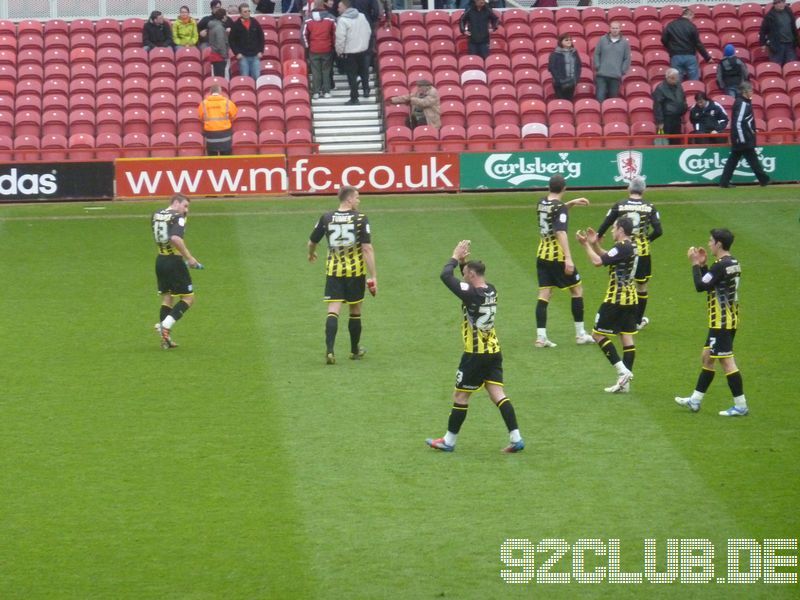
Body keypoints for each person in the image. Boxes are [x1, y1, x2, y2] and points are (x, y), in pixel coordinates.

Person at [426, 240, 525, 454]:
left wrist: (454, 256)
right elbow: (467, 283)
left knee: (460, 397)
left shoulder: (470, 294)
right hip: (494, 351)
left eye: (465, 273)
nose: (463, 276)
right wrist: (464, 262)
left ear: (471, 275)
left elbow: (446, 276)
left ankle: (449, 441)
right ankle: (516, 438)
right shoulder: (491, 290)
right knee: (497, 393)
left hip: (475, 354)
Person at [675, 229, 749, 416]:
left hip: (721, 321)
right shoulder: (733, 263)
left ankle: (740, 406)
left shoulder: (720, 266)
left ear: (719, 244)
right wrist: (703, 265)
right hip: (729, 318)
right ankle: (695, 400)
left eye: (710, 241)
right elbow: (713, 284)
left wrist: (694, 264)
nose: (708, 244)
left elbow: (701, 286)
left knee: (726, 362)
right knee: (707, 358)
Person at [308, 186, 377, 364]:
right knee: (355, 310)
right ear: (349, 199)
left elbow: (312, 241)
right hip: (355, 272)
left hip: (334, 270)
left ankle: (330, 351)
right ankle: (354, 350)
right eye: (357, 198)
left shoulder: (327, 218)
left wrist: (311, 253)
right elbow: (367, 248)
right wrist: (373, 275)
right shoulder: (360, 218)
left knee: (333, 310)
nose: (359, 201)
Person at [575, 218, 638, 394]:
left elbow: (597, 262)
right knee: (626, 338)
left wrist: (585, 245)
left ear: (621, 230)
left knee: (597, 334)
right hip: (631, 298)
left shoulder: (621, 246)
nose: (611, 231)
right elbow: (607, 257)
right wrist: (594, 244)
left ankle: (623, 371)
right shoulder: (631, 246)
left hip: (615, 299)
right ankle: (624, 384)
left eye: (614, 228)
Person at [534, 175, 595, 348]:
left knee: (544, 294)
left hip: (542, 254)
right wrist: (568, 258)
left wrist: (572, 203)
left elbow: (554, 213)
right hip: (557, 256)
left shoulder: (541, 202)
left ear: (549, 187)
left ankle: (541, 337)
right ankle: (580, 334)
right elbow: (560, 231)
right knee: (576, 290)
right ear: (564, 188)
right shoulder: (559, 207)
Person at [596, 176, 662, 332]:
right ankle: (636, 321)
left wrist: (597, 237)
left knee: (620, 284)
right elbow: (659, 231)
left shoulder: (620, 205)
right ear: (644, 190)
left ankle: (617, 318)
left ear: (629, 188)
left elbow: (606, 223)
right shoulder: (650, 207)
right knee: (641, 286)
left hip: (622, 250)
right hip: (642, 252)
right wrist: (646, 241)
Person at [152, 194, 203, 350]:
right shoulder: (177, 217)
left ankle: (165, 340)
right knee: (188, 298)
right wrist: (189, 258)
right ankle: (165, 326)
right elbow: (175, 238)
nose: (186, 210)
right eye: (185, 206)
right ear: (175, 203)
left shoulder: (157, 214)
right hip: (174, 262)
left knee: (167, 298)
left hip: (160, 260)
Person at [719, 82, 770, 188]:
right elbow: (738, 122)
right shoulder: (742, 103)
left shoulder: (744, 102)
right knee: (751, 159)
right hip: (743, 137)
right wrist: (742, 138)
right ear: (744, 92)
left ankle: (724, 181)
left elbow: (744, 121)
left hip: (741, 136)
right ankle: (763, 179)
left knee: (735, 159)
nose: (752, 92)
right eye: (750, 90)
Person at [660, 8, 713, 81]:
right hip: (690, 56)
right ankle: (693, 91)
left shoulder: (671, 25)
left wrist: (670, 49)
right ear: (690, 15)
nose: (692, 20)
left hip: (676, 56)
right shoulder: (691, 26)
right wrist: (707, 58)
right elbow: (698, 44)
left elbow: (663, 39)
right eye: (693, 18)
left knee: (676, 81)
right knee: (694, 81)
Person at [336, 0, 372, 105]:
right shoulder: (362, 16)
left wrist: (339, 50)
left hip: (350, 52)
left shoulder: (342, 20)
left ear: (345, 8)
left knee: (352, 76)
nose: (338, 9)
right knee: (364, 72)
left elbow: (340, 37)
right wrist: (365, 44)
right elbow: (368, 31)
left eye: (339, 7)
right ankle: (366, 90)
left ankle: (354, 98)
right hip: (363, 50)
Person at [303, 0, 336, 99]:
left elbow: (303, 34)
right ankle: (326, 92)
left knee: (315, 71)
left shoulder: (308, 19)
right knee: (326, 71)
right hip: (327, 48)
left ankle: (316, 92)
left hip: (313, 49)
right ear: (323, 5)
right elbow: (336, 33)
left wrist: (307, 46)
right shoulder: (331, 18)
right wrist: (334, 45)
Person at [593, 21, 631, 103]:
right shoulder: (602, 39)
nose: (615, 30)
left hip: (615, 76)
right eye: (613, 28)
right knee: (600, 98)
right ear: (610, 28)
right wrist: (597, 66)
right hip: (601, 75)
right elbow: (596, 54)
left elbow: (627, 58)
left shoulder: (624, 43)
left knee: (613, 100)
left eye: (616, 28)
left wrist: (622, 71)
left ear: (620, 29)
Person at [197, 84, 238, 155]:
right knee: (226, 159)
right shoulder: (228, 102)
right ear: (220, 92)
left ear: (210, 92)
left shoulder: (203, 104)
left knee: (212, 160)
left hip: (210, 135)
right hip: (225, 134)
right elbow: (234, 116)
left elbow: (201, 117)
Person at [229, 2, 265, 80]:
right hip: (243, 57)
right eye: (245, 11)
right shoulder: (236, 25)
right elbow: (231, 41)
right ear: (240, 13)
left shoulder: (255, 22)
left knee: (257, 77)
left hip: (255, 55)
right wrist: (237, 53)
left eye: (249, 11)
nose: (247, 13)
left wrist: (261, 51)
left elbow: (261, 38)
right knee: (245, 78)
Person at [653, 68, 688, 145]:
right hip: (666, 119)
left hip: (677, 118)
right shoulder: (660, 88)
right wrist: (660, 121)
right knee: (665, 140)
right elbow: (657, 106)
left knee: (676, 140)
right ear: (668, 78)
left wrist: (684, 106)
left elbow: (683, 97)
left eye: (677, 78)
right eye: (674, 78)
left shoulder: (679, 85)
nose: (676, 80)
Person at [759, 0, 799, 66]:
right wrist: (762, 43)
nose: (781, 4)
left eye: (783, 2)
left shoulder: (789, 12)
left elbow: (793, 27)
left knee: (791, 66)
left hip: (790, 45)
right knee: (776, 66)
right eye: (779, 3)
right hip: (777, 46)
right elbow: (763, 30)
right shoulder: (769, 16)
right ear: (774, 4)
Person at [548, 33, 581, 101]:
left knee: (569, 102)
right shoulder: (555, 54)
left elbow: (578, 65)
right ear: (561, 42)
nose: (569, 41)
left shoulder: (574, 52)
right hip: (559, 83)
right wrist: (559, 80)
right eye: (566, 40)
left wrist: (576, 78)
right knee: (562, 103)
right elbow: (551, 68)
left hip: (571, 82)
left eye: (570, 40)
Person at [206, 7, 230, 77]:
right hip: (219, 57)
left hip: (214, 55)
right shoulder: (219, 28)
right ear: (223, 16)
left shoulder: (213, 26)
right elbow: (221, 43)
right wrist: (224, 55)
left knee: (217, 77)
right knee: (221, 78)